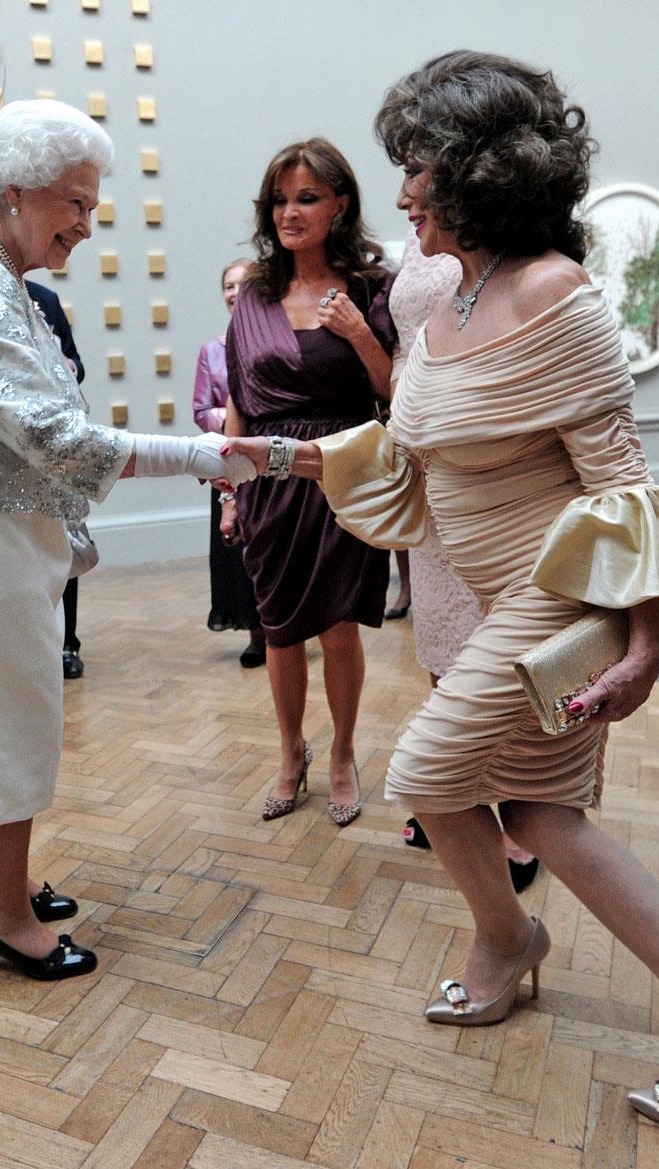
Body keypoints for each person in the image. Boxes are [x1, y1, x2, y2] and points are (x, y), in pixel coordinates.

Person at [223, 52, 659, 1146]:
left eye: (419, 172)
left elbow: (623, 483)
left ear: (483, 178)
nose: (401, 196)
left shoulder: (554, 294)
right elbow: (408, 454)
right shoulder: (451, 290)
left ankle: (512, 940)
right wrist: (267, 458)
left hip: (552, 596)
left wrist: (643, 643)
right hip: (476, 592)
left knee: (427, 772)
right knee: (540, 812)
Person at [0, 99, 254, 982]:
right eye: (75, 200)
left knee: (17, 711)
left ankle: (5, 875)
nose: (87, 218)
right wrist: (206, 456)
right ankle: (3, 916)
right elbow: (49, 432)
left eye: (91, 200)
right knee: (2, 721)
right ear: (18, 190)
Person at [223, 138, 396, 827]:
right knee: (279, 627)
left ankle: (344, 753)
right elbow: (239, 396)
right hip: (268, 473)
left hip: (343, 470)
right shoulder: (255, 294)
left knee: (341, 628)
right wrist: (231, 484)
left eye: (307, 198)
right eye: (280, 199)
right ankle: (291, 752)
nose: (289, 212)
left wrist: (358, 333)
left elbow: (391, 390)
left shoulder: (369, 290)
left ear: (340, 204)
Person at [388, 228, 538, 889]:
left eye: (417, 169)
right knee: (440, 633)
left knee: (489, 639)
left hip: (480, 455)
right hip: (416, 453)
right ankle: (455, 794)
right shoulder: (408, 247)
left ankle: (513, 813)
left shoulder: (511, 247)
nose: (404, 191)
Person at [193, 259, 266, 668]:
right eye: (228, 285)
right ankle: (255, 634)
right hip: (228, 463)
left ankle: (286, 628)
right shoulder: (211, 350)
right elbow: (201, 410)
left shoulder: (280, 340)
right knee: (238, 556)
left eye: (243, 284)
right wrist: (236, 418)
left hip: (273, 460)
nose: (234, 292)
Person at [26, 278, 87, 680]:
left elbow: (77, 364)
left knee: (64, 544)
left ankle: (68, 644)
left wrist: (67, 366)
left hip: (54, 442)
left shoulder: (44, 297)